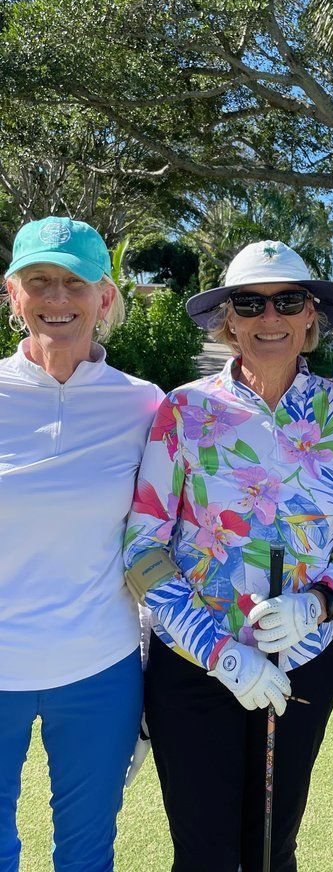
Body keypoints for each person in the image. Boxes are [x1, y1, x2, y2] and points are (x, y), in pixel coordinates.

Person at [123, 240, 333, 872]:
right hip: (195, 670)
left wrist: (319, 603)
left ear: (311, 315)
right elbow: (143, 550)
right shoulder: (185, 409)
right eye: (250, 304)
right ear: (227, 319)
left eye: (287, 301)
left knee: (272, 852)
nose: (270, 318)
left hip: (302, 663)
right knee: (203, 857)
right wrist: (220, 653)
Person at [0, 216, 163, 872]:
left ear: (105, 297)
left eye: (76, 283)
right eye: (40, 280)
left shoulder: (145, 406)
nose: (58, 298)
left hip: (100, 667)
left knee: (88, 854)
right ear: (13, 293)